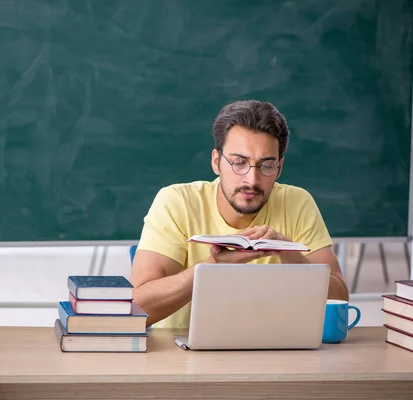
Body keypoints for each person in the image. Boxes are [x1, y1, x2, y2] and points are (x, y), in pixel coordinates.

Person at [130, 100, 349, 329]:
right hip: (182, 359)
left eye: (266, 165)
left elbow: (340, 298)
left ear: (279, 168)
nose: (252, 180)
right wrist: (209, 270)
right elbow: (137, 308)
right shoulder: (177, 202)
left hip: (278, 356)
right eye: (238, 163)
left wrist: (291, 255)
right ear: (216, 162)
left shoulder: (297, 203)